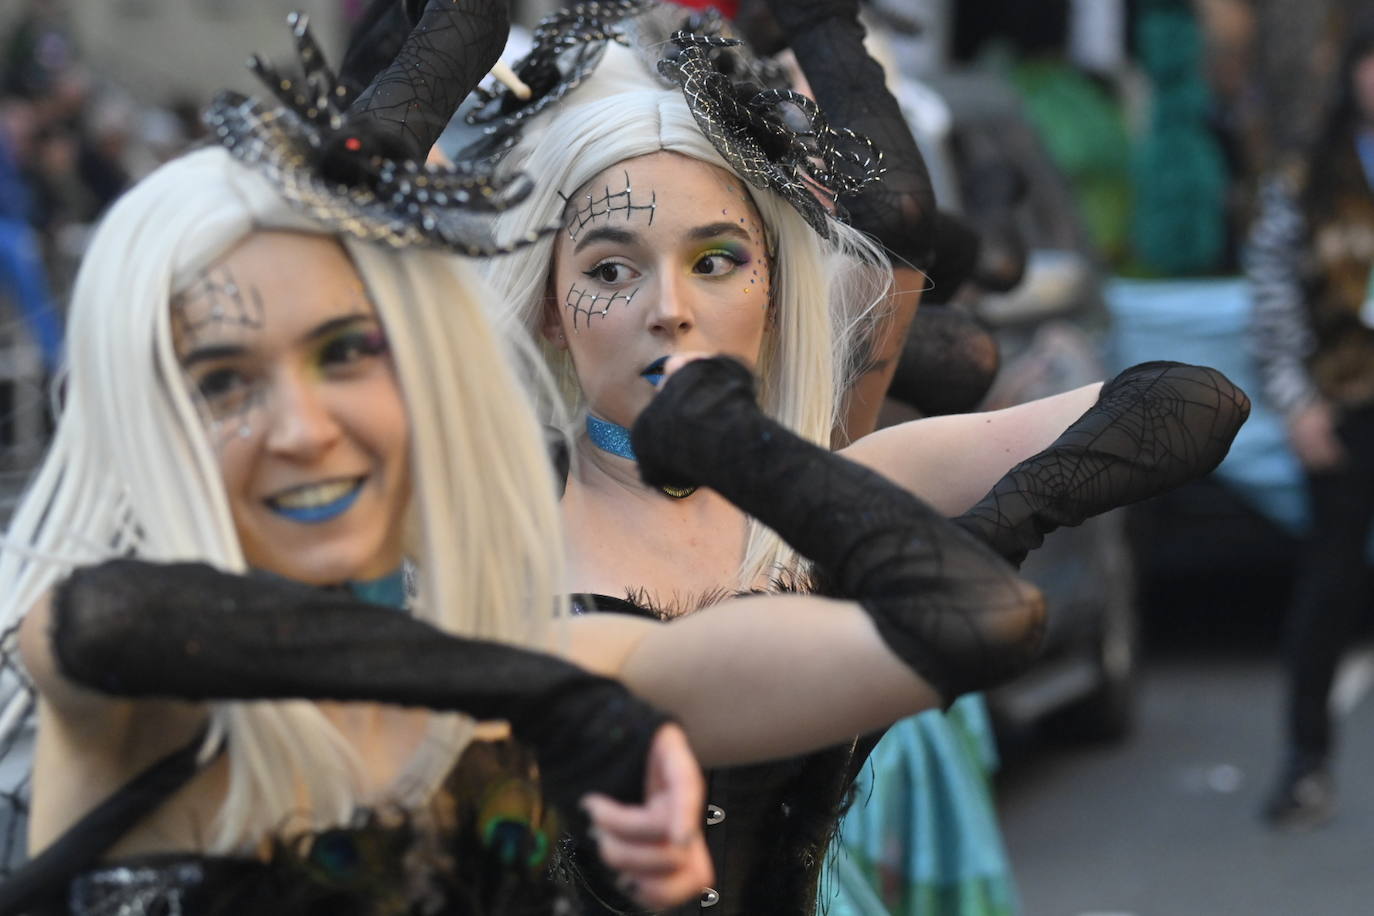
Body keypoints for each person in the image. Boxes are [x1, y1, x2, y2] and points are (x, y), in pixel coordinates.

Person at [0, 4, 1062, 912]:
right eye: (223, 379)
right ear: (149, 410)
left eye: (348, 353)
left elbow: (975, 620)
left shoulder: (574, 658)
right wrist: (557, 702)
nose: (303, 426)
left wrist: (730, 439)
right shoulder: (98, 651)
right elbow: (120, 622)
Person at [471, 10, 1250, 915]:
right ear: (551, 312)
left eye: (716, 261)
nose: (669, 309)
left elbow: (1194, 399)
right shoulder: (486, 539)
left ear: (772, 289)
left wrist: (987, 530)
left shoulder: (846, 491)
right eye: (611, 270)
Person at [1246, 15, 1374, 830]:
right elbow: (1271, 296)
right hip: (1345, 404)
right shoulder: (1307, 177)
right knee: (1328, 588)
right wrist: (1297, 403)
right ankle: (1305, 764)